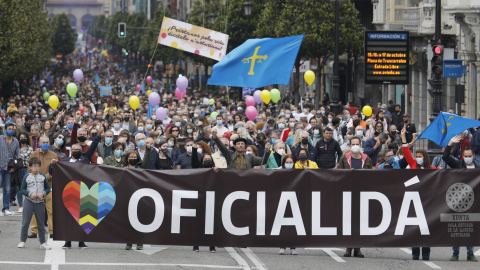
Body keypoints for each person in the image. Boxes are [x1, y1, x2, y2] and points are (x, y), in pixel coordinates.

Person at [443, 135, 479, 262]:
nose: (468, 158)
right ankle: (455, 253)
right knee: (457, 227)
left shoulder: (478, 169)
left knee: (472, 227)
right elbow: (445, 157)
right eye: (466, 156)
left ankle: (470, 253)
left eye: (470, 156)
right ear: (463, 156)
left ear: (474, 156)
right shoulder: (459, 165)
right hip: (459, 201)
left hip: (474, 202)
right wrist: (450, 143)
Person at [27, 135, 59, 239]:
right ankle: (34, 231)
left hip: (49, 186)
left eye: (47, 142)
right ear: (39, 143)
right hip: (36, 186)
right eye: (43, 142)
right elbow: (29, 169)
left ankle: (52, 231)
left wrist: (47, 176)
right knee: (35, 210)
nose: (45, 144)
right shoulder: (34, 154)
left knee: (51, 210)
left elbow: (57, 170)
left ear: (49, 143)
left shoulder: (53, 155)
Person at [17, 157, 52, 250]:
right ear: (30, 167)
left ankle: (43, 242)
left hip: (40, 202)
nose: (36, 168)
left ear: (40, 167)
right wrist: (29, 194)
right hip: (29, 201)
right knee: (25, 222)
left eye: (37, 166)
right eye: (34, 166)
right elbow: (22, 189)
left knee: (41, 223)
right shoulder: (26, 177)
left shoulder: (43, 177)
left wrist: (43, 193)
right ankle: (22, 241)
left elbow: (48, 188)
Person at [123, 150, 151, 250]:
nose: (133, 159)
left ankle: (140, 242)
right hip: (127, 197)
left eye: (135, 157)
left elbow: (147, 161)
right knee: (128, 221)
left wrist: (148, 149)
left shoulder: (140, 168)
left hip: (139, 198)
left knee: (139, 220)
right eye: (131, 157)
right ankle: (129, 242)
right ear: (127, 158)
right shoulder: (122, 169)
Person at [0, 123, 21, 216]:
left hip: (9, 168)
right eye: (9, 128)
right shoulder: (0, 139)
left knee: (7, 189)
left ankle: (6, 208)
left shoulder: (16, 141)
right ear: (5, 130)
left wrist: (14, 167)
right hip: (0, 166)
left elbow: (18, 155)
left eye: (12, 129)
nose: (11, 130)